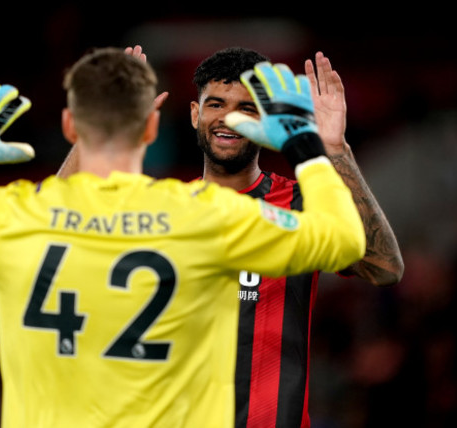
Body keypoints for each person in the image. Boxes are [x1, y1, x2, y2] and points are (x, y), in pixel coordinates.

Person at [0, 47, 365, 427]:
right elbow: (344, 239)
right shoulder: (204, 215)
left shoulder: (17, 213)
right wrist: (306, 144)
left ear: (68, 124)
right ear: (152, 127)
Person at [58, 45, 404, 427]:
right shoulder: (161, 208)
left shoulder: (303, 203)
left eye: (247, 107)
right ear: (194, 114)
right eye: (216, 104)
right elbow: (53, 226)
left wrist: (334, 149)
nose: (228, 119)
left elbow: (383, 267)